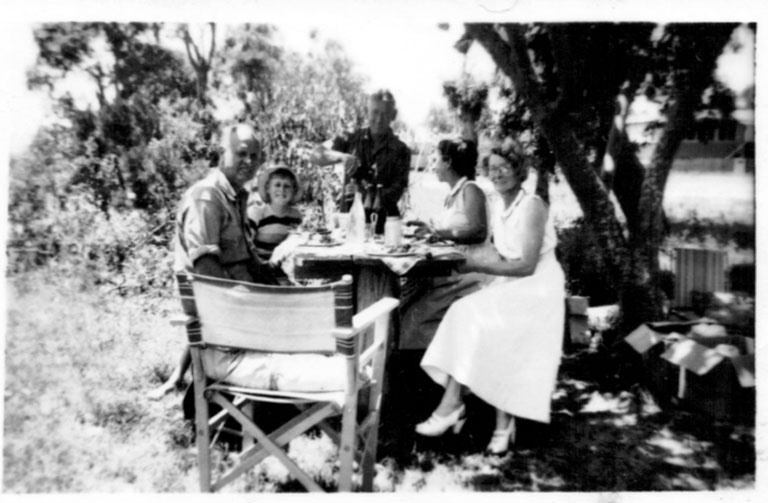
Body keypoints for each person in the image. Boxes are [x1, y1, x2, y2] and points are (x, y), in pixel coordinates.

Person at [414, 142, 566, 455]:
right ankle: (492, 418)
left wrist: (478, 266)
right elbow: (502, 252)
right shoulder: (498, 204)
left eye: (504, 167)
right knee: (466, 313)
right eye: (492, 168)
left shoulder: (532, 205)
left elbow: (526, 264)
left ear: (518, 170)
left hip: (539, 287)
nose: (497, 174)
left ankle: (455, 407)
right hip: (514, 283)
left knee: (477, 317)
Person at [148, 123, 278, 400]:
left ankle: (277, 400)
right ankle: (263, 402)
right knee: (290, 324)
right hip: (219, 304)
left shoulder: (237, 195)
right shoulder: (206, 197)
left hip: (235, 296)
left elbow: (246, 256)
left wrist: (275, 281)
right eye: (242, 153)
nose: (249, 162)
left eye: (255, 156)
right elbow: (208, 273)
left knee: (297, 303)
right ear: (222, 153)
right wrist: (255, 301)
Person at [399, 137, 497, 349]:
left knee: (415, 314)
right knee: (407, 300)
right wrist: (427, 228)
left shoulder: (471, 189)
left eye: (436, 159)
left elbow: (478, 231)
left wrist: (438, 232)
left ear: (448, 162)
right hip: (453, 270)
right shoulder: (453, 195)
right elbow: (452, 230)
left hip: (471, 273)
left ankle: (426, 370)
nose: (433, 164)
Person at [311, 89, 411, 234]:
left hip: (385, 228)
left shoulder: (401, 150)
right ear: (367, 112)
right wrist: (341, 156)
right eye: (375, 112)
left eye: (385, 113)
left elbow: (395, 193)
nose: (379, 119)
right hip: (351, 225)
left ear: (393, 115)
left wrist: (362, 192)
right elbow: (315, 155)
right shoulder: (350, 138)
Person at [247, 165, 303, 263]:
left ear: (294, 191)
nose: (282, 190)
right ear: (268, 189)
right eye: (277, 185)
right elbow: (246, 244)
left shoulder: (296, 216)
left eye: (287, 186)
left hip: (285, 267)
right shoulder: (258, 213)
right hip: (259, 265)